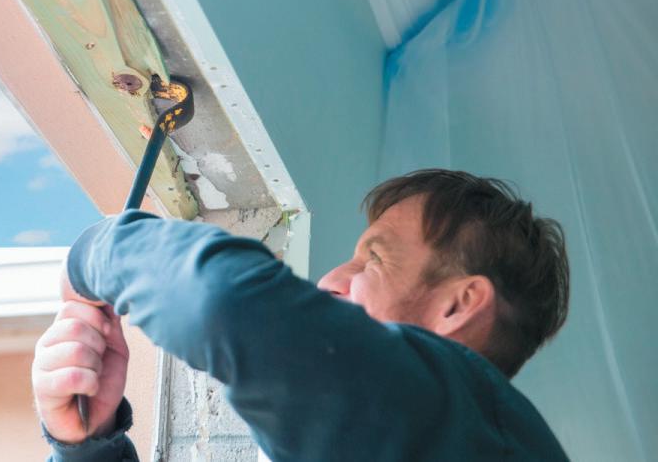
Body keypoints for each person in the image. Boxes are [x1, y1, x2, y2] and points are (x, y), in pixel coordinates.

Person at [32, 169, 570, 461]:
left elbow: (222, 302)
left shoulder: (461, 425)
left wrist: (94, 254)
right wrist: (87, 445)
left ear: (458, 304)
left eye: (374, 259)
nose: (331, 279)